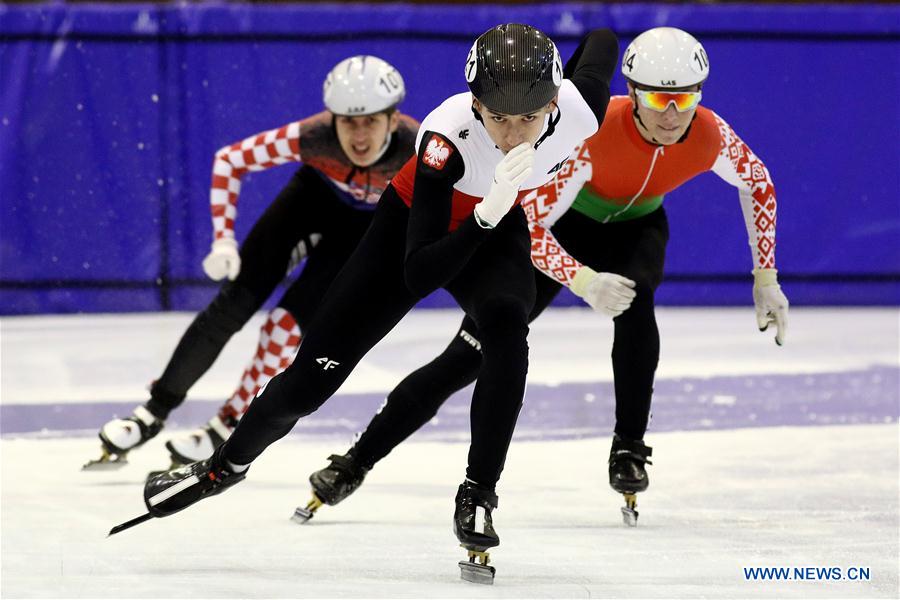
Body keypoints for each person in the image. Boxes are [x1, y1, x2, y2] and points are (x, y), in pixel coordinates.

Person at [133, 24, 619, 582]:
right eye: (497, 118)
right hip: (413, 234)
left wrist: (557, 83)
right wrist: (487, 211)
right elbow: (420, 272)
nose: (512, 135)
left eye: (528, 118)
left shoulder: (578, 111)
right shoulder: (445, 137)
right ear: (475, 105)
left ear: (554, 101)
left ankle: (478, 494)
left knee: (508, 332)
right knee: (310, 382)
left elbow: (602, 40)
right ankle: (222, 468)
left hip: (494, 231)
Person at [295, 27, 789, 527]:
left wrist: (765, 277)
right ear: (633, 93)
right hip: (562, 230)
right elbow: (529, 225)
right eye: (659, 99)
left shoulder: (711, 134)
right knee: (466, 357)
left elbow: (759, 184)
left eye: (685, 99)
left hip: (637, 229)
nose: (671, 115)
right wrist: (582, 280)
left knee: (638, 304)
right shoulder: (591, 134)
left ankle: (629, 448)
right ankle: (356, 461)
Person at [84, 56, 417, 469]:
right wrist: (223, 239)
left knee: (285, 328)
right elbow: (230, 160)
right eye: (348, 122)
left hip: (361, 231)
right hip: (312, 202)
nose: (360, 135)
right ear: (333, 119)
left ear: (394, 119)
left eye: (371, 121)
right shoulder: (313, 136)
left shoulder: (419, 149)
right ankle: (153, 412)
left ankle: (226, 423)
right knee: (231, 305)